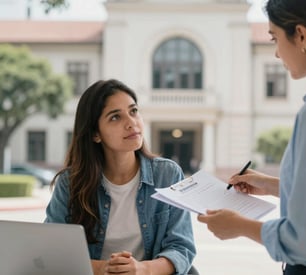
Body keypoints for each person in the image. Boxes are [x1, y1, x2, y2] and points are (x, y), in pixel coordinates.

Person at [198, 0, 306, 274]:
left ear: (302, 36)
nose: (277, 54)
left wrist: (239, 226)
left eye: (275, 38)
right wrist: (272, 186)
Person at [45, 79, 196, 275]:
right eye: (115, 117)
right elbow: (53, 251)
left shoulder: (167, 174)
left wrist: (142, 269)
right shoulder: (70, 182)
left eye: (133, 111)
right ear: (95, 134)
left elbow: (181, 248)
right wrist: (103, 268)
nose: (132, 123)